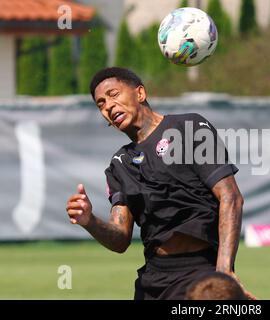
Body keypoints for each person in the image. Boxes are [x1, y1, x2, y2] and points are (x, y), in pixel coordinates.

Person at [65, 67, 253, 300]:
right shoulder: (119, 164)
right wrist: (90, 221)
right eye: (101, 104)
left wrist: (224, 271)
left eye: (114, 95)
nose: (108, 107)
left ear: (140, 93)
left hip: (200, 271)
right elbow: (120, 238)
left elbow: (230, 197)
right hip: (153, 280)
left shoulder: (188, 128)